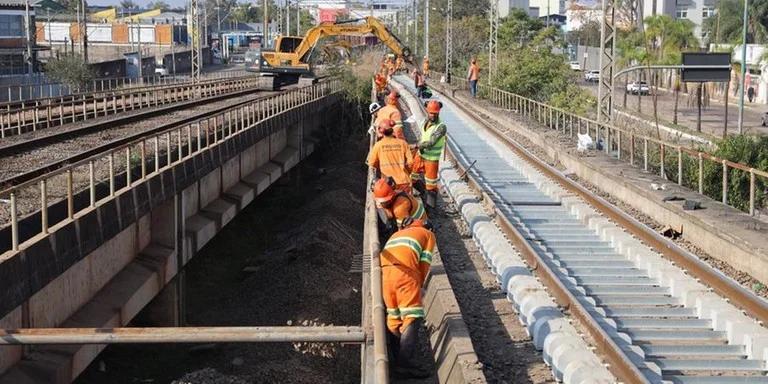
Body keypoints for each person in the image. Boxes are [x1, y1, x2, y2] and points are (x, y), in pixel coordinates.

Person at [381, 217, 435, 378]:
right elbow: (424, 262)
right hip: (406, 275)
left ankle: (394, 359)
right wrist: (420, 284)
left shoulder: (396, 235)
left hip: (386, 275)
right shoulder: (427, 234)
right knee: (412, 316)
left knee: (394, 316)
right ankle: (405, 365)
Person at [412, 100, 446, 208]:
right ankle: (423, 193)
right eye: (431, 113)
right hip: (420, 155)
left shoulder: (441, 127)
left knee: (431, 185)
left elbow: (431, 142)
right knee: (411, 177)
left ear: (438, 112)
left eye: (435, 113)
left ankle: (431, 207)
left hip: (431, 160)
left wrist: (416, 146)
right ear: (427, 111)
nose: (433, 115)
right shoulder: (425, 121)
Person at [367, 119, 413, 191]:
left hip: (387, 183)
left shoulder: (378, 145)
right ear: (392, 130)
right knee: (405, 198)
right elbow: (411, 163)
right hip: (404, 181)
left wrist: (380, 167)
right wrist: (407, 172)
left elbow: (372, 163)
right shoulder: (403, 143)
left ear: (381, 131)